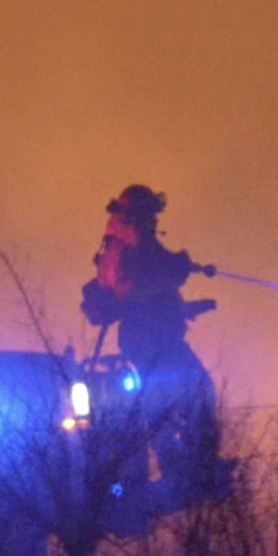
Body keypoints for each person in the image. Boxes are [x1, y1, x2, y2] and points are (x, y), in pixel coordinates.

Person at [79, 185, 227, 507]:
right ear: (141, 213)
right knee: (193, 393)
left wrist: (186, 309)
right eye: (150, 214)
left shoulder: (124, 245)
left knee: (167, 402)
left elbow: (145, 297)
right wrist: (182, 265)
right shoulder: (134, 248)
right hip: (153, 341)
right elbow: (151, 282)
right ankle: (192, 470)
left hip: (149, 338)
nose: (153, 221)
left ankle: (187, 467)